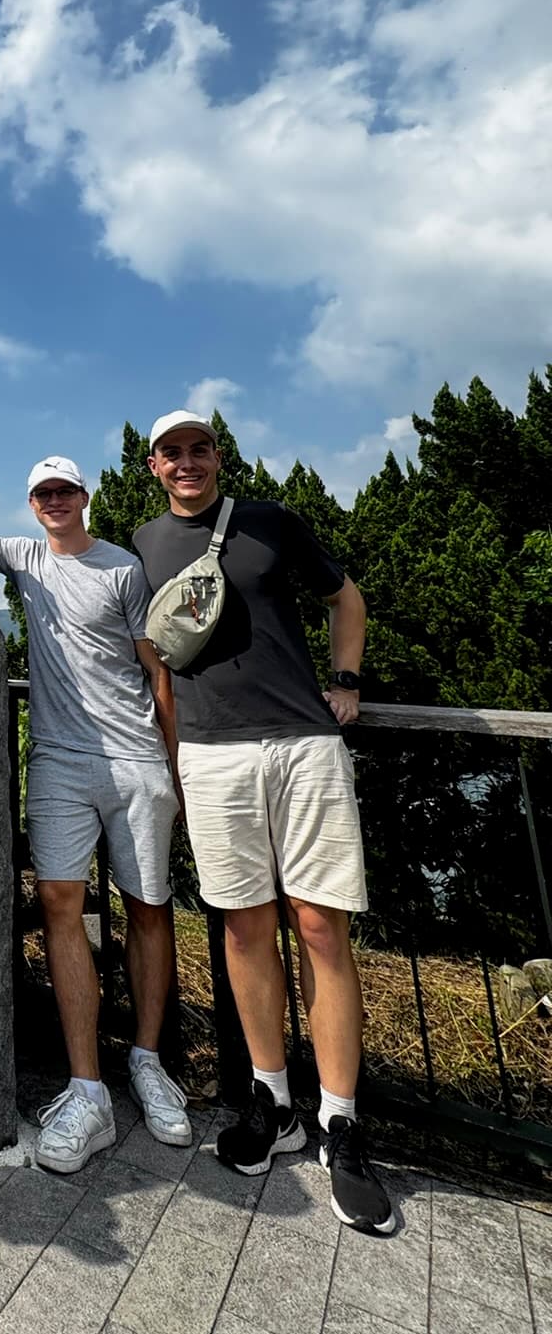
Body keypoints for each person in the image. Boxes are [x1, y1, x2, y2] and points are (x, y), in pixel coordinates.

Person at [133, 408, 392, 1235]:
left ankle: (341, 1124)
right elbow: (157, 662)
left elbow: (345, 598)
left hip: (302, 741)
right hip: (210, 753)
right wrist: (174, 756)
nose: (187, 464)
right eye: (171, 453)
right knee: (244, 929)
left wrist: (346, 678)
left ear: (218, 456)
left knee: (320, 927)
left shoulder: (270, 522)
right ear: (152, 466)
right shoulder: (143, 544)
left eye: (198, 450)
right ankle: (273, 1102)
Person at [0, 454, 189, 1173]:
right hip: (60, 762)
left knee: (149, 906)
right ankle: (86, 1087)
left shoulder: (123, 568)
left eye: (65, 490)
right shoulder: (25, 557)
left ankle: (148, 1061)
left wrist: (173, 763)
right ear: (32, 502)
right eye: (43, 492)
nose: (55, 501)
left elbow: (155, 669)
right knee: (61, 903)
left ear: (84, 497)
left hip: (135, 758)